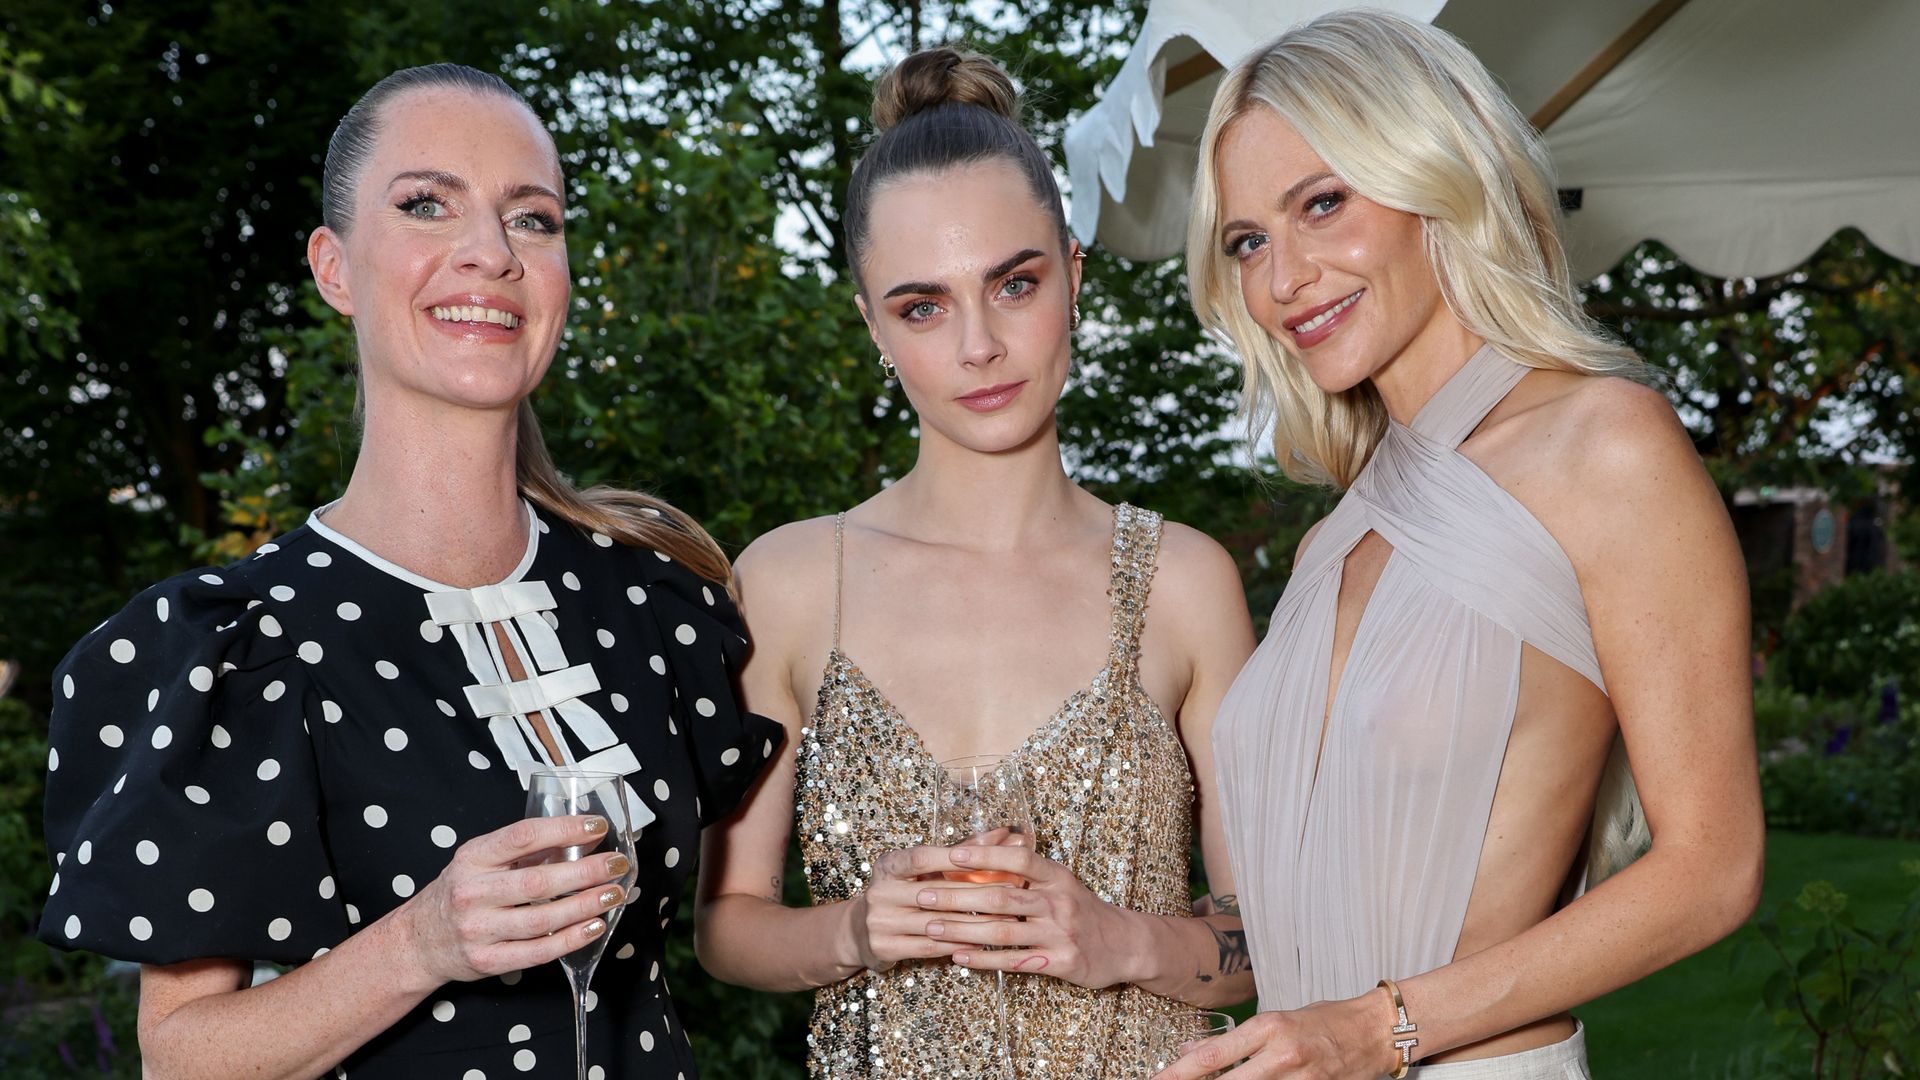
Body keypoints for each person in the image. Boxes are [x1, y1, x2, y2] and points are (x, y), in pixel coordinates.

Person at [36, 63, 779, 1080]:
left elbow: (736, 925)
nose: (488, 254)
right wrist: (424, 941)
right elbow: (181, 1059)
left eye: (534, 220)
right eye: (427, 205)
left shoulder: (653, 602)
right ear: (334, 269)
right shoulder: (245, 639)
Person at [1157, 11, 1766, 1079]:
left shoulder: (1605, 447)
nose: (1283, 277)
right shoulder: (1333, 541)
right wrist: (1113, 936)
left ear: (1438, 176)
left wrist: (1371, 1030)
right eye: (1249, 241)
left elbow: (1712, 868)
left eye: (1323, 203)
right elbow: (1287, 913)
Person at [692, 46, 1259, 1079]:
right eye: (922, 306)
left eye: (1015, 283)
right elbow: (727, 926)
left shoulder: (1185, 582)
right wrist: (856, 931)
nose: (979, 345)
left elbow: (1261, 940)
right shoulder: (787, 582)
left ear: (1074, 276)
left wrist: (1123, 941)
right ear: (872, 324)